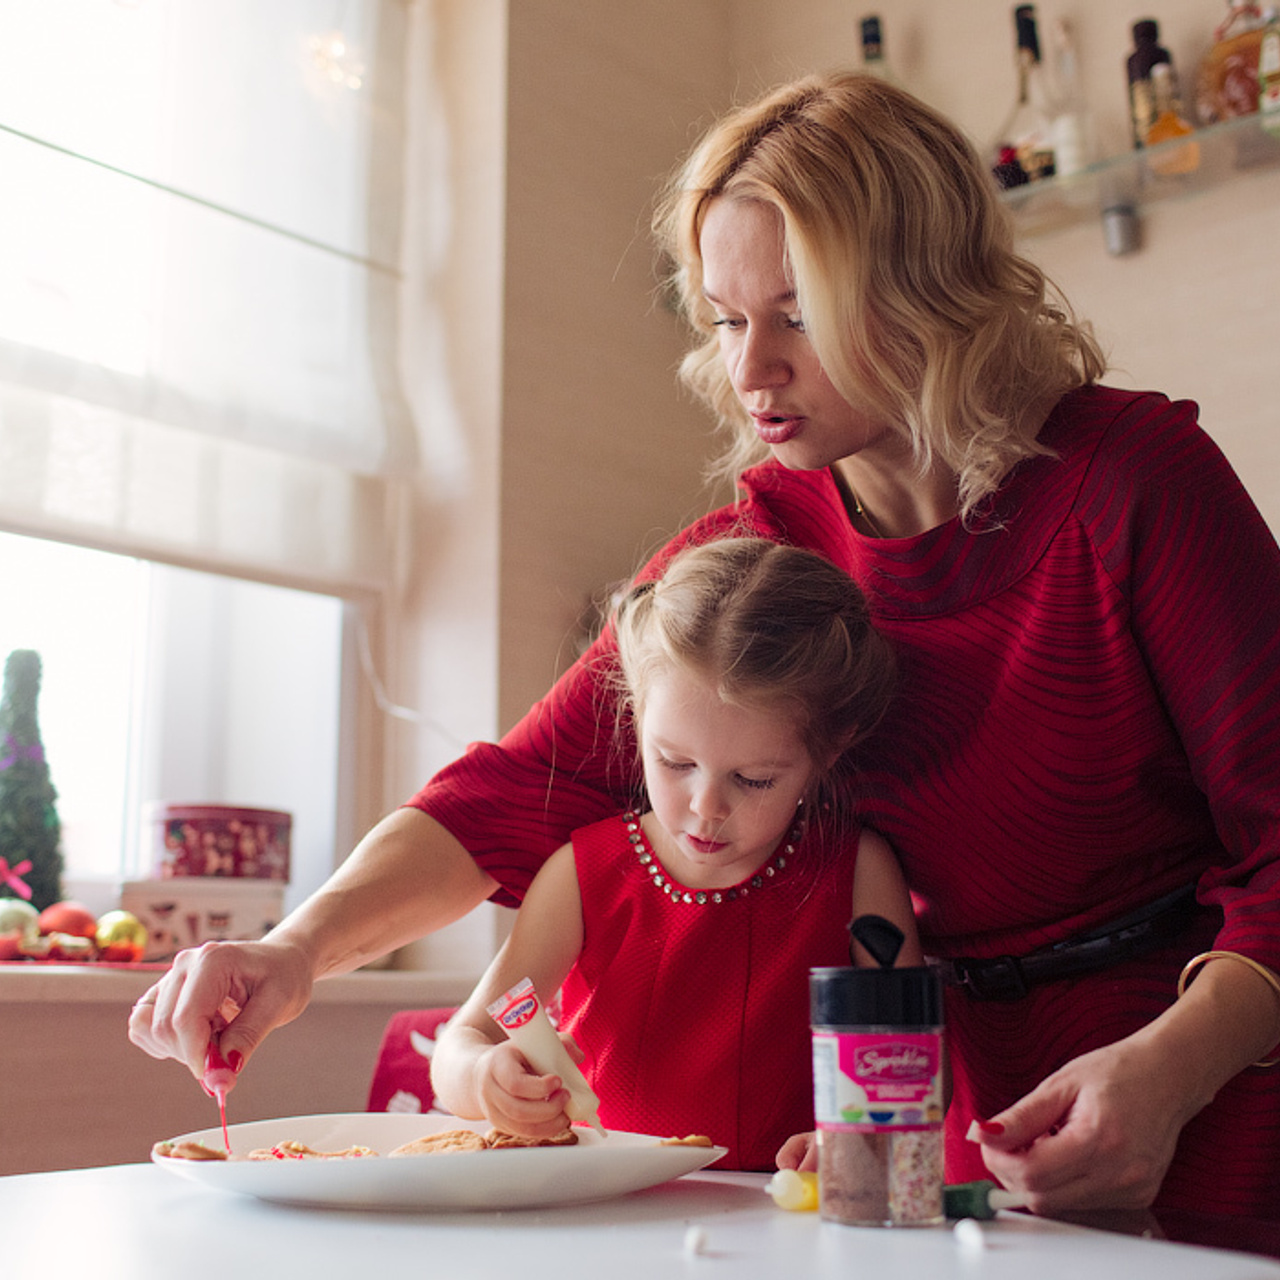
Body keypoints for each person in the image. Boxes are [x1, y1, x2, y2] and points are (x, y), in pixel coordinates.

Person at [129, 71, 1280, 1222]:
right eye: (728, 319)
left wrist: (1175, 1065)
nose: (748, 370)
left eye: (796, 313)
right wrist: (292, 950)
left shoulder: (1130, 486)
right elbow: (509, 793)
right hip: (939, 1097)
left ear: (925, 290)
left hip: (1204, 1068)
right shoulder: (758, 550)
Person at [426, 537, 918, 1170]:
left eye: (756, 779)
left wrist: (861, 1138)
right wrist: (483, 1078)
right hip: (610, 1214)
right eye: (676, 762)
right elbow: (463, 1040)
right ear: (636, 716)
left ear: (831, 748)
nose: (706, 806)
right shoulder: (583, 873)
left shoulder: (856, 872)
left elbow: (911, 1061)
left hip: (789, 1220)